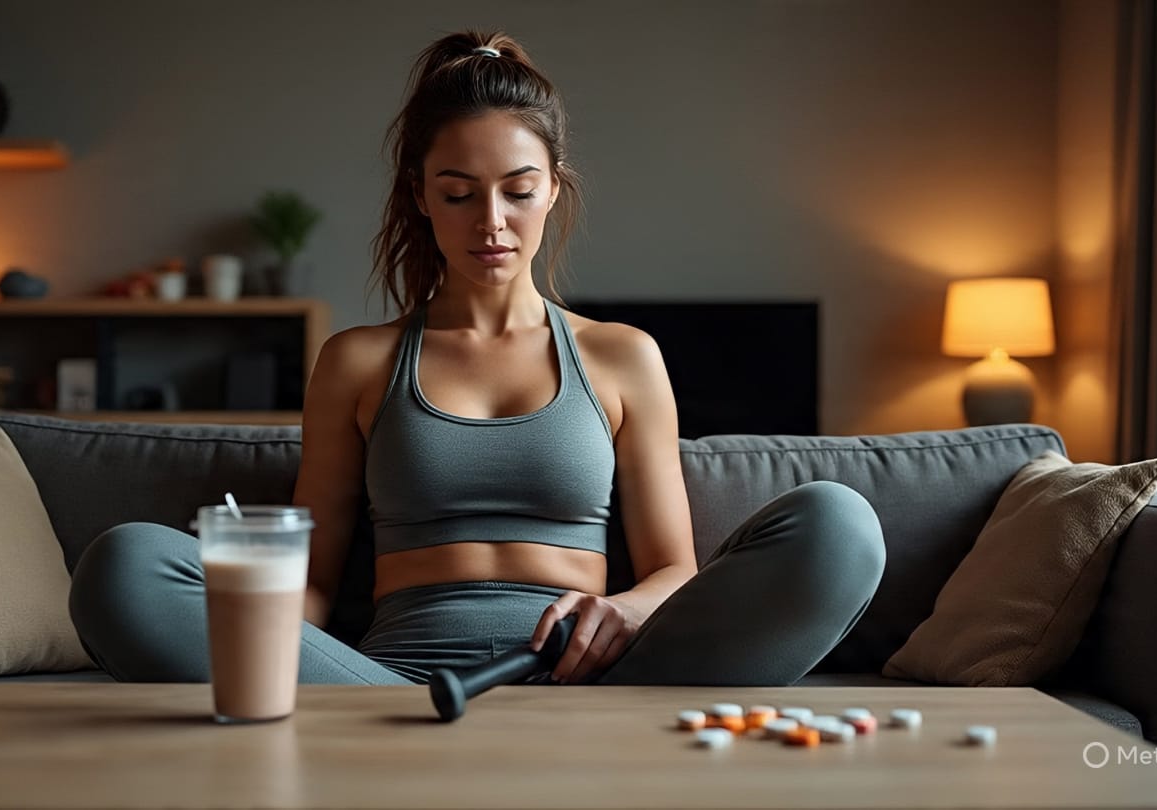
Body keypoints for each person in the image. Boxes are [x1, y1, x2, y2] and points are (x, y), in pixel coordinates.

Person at [69, 30, 885, 688]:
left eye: (517, 190)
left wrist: (630, 611)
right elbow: (312, 585)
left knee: (838, 523)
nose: (489, 221)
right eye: (458, 193)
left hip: (599, 684)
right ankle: (386, 731)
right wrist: (255, 634)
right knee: (129, 564)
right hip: (391, 692)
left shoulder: (621, 356)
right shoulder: (356, 363)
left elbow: (673, 569)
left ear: (553, 189)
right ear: (420, 197)